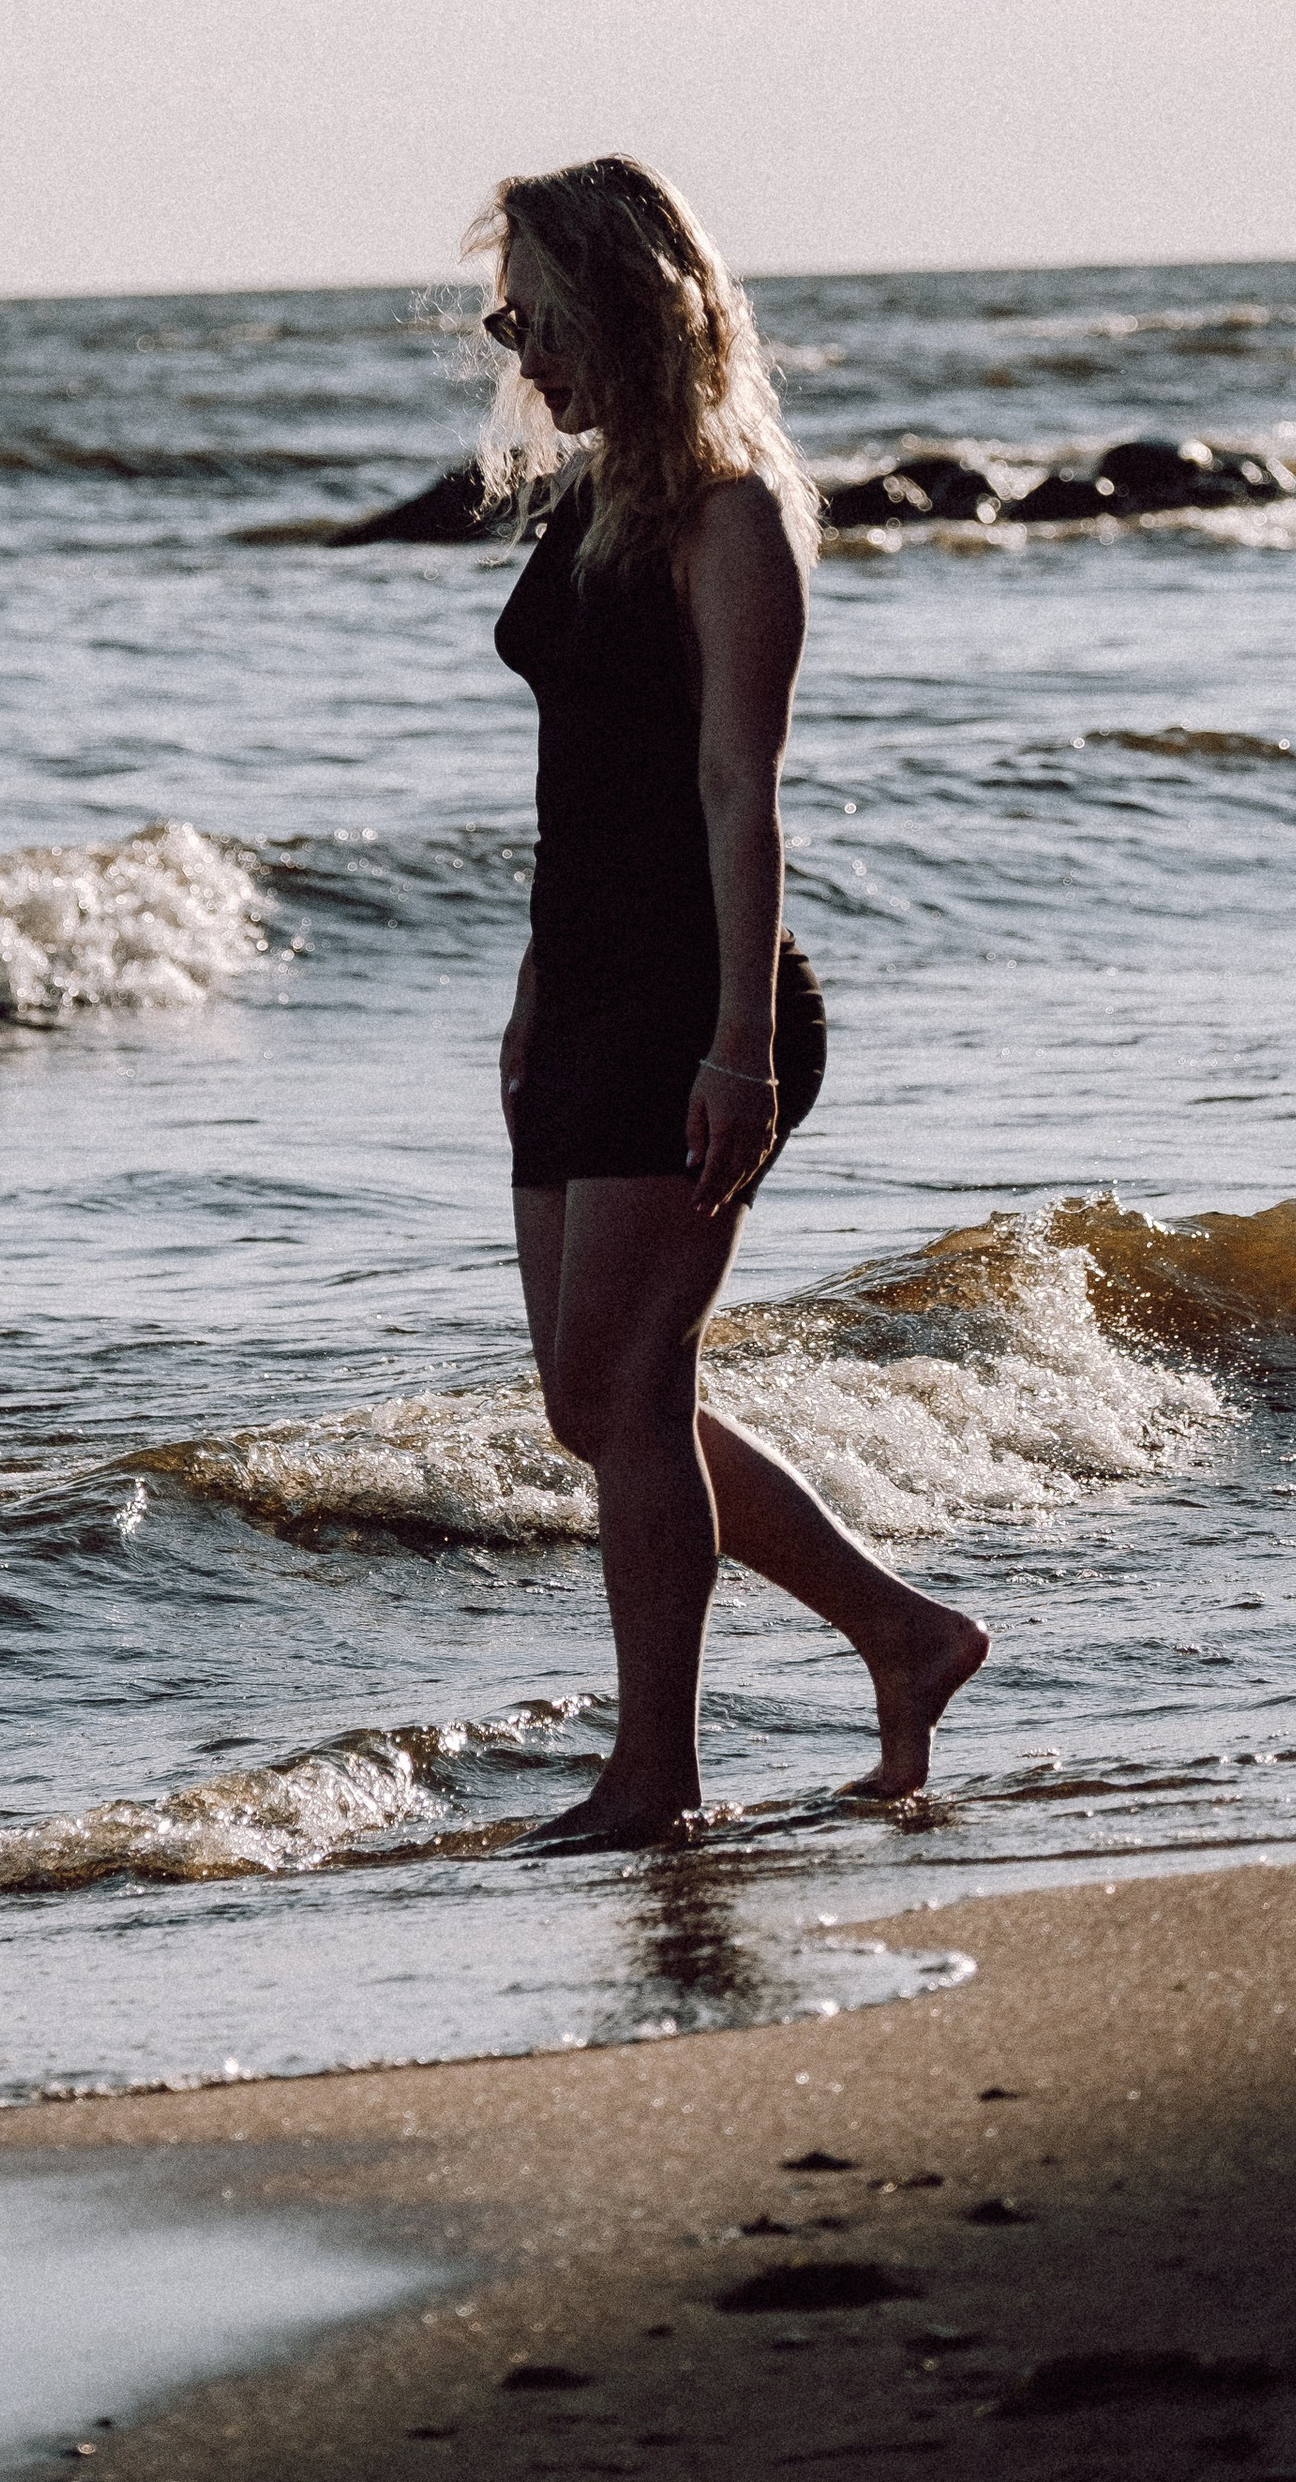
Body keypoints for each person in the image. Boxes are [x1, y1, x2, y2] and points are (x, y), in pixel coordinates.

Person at [476, 154, 989, 1848]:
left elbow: (732, 795)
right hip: (588, 991)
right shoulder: (594, 500)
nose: (516, 344)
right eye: (507, 314)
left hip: (700, 1002)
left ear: (624, 307)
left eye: (538, 313)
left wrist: (740, 1049)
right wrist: (537, 984)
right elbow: (574, 780)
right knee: (591, 1400)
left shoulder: (731, 518)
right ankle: (904, 1636)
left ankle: (656, 1775)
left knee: (631, 1388)